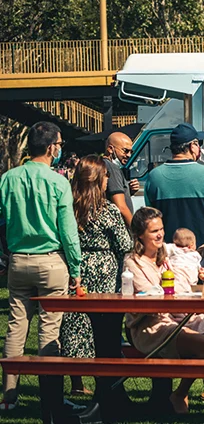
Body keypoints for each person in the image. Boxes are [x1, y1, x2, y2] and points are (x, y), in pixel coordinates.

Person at [0, 122, 82, 418]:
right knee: (49, 330)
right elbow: (68, 230)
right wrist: (76, 266)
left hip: (19, 259)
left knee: (16, 326)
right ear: (51, 148)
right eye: (59, 144)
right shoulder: (58, 182)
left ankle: (9, 396)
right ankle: (51, 398)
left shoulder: (8, 178)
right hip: (51, 261)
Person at [125, 207, 204, 412]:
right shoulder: (133, 263)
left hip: (180, 315)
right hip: (151, 326)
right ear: (140, 235)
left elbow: (177, 287)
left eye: (161, 229)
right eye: (154, 231)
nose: (160, 234)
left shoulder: (166, 257)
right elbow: (151, 298)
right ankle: (181, 393)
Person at [59, 155, 133, 418]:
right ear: (97, 179)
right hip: (104, 271)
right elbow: (125, 243)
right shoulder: (106, 210)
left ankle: (80, 383)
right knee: (106, 332)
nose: (107, 180)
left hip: (77, 270)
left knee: (79, 328)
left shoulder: (69, 207)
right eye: (105, 176)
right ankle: (109, 389)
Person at [144, 123, 204, 244]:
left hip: (169, 251)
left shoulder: (153, 177)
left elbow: (151, 215)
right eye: (199, 144)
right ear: (192, 146)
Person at [104, 131, 139, 227]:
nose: (129, 155)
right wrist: (136, 231)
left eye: (131, 152)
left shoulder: (106, 165)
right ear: (110, 149)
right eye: (125, 151)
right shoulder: (112, 168)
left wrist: (128, 191)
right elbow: (120, 206)